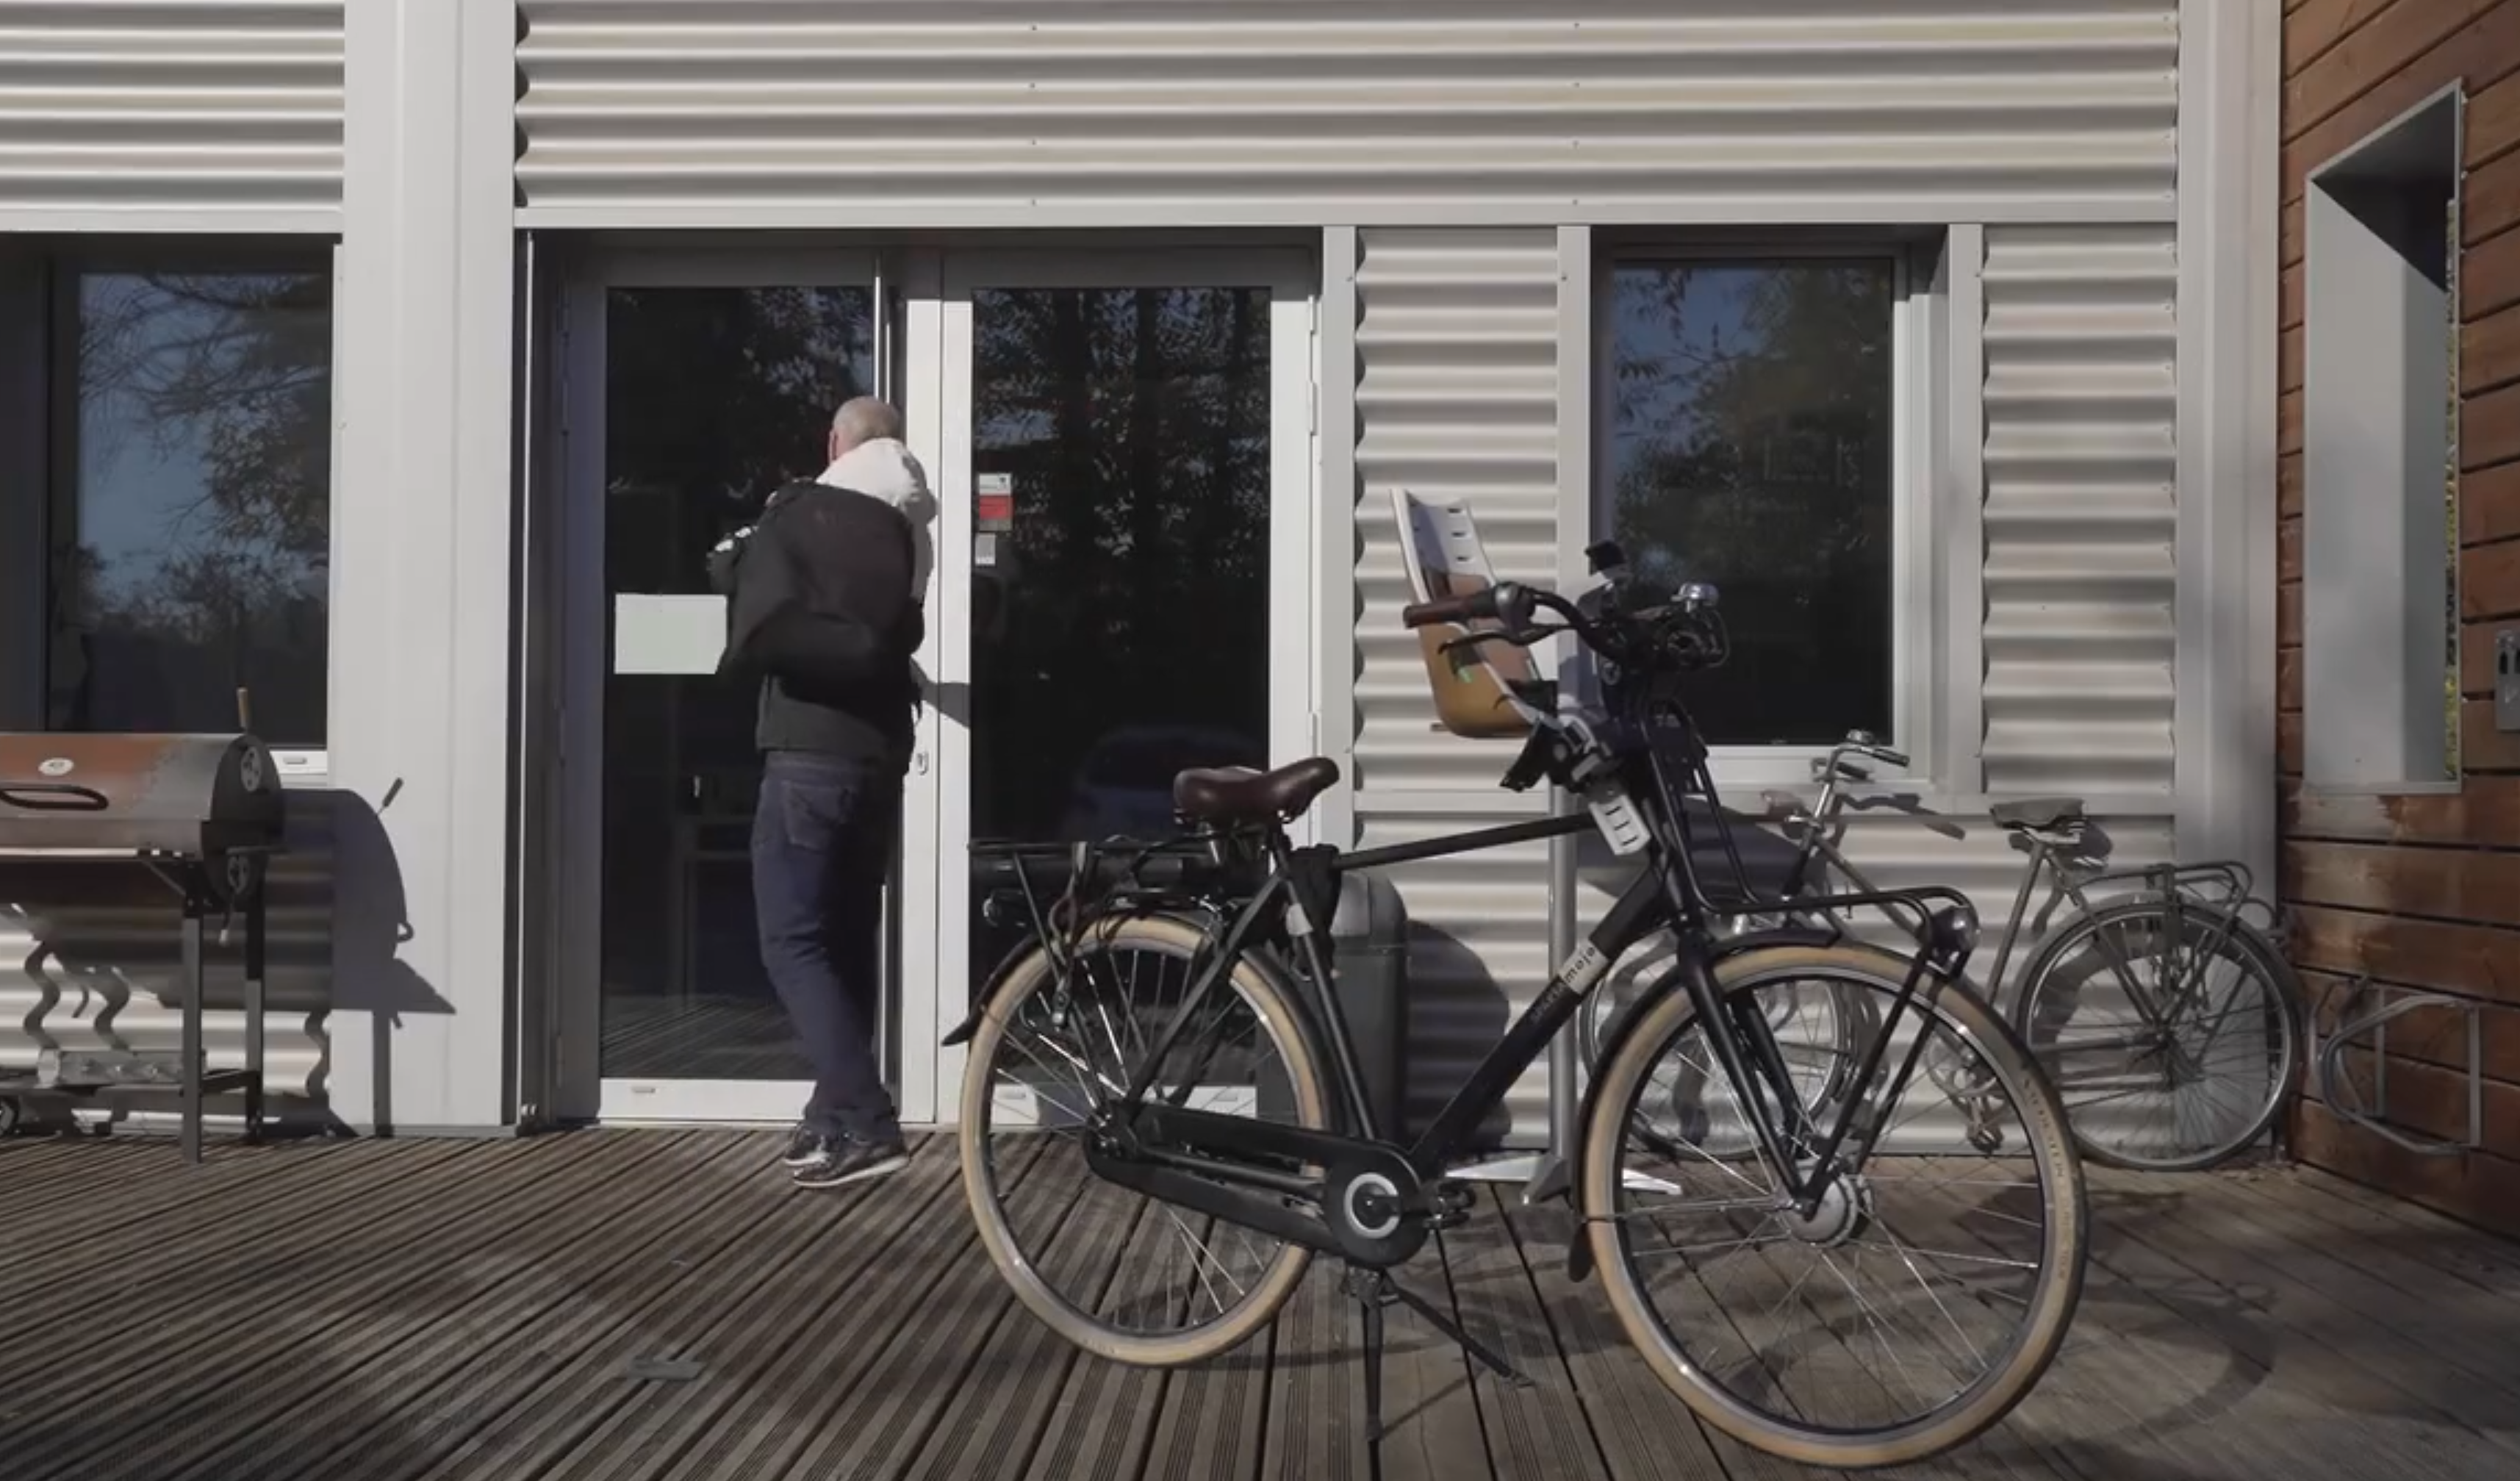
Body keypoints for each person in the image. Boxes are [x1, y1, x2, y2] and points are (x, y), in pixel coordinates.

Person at [709, 395, 925, 1188]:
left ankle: (866, 1118)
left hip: (807, 753)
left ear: (836, 443)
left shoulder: (798, 513)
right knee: (844, 939)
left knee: (792, 941)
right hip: (878, 754)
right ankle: (832, 1113)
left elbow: (731, 576)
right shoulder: (908, 529)